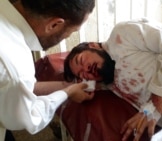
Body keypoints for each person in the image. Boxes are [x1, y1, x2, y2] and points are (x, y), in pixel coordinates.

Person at [0, 0, 95, 140]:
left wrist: (68, 87)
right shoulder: (17, 68)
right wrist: (67, 92)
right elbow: (28, 118)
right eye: (72, 32)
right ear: (54, 24)